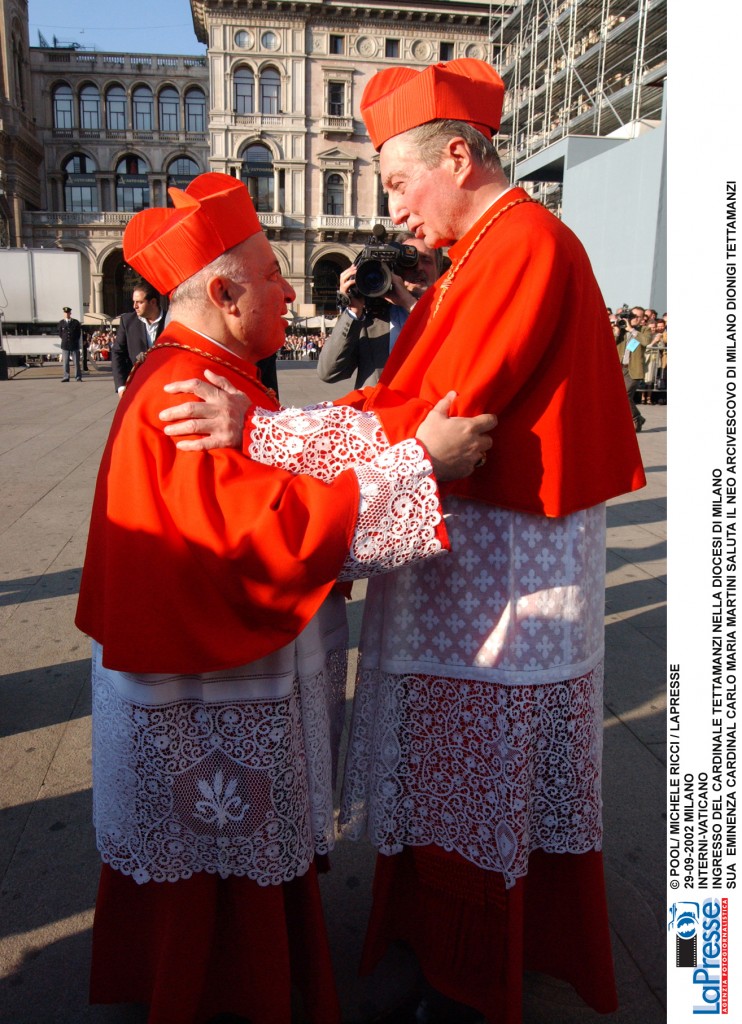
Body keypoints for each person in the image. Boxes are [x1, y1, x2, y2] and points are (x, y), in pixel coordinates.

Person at [162, 59, 649, 1023]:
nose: (393, 210)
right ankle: (439, 946)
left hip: (508, 576)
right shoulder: (475, 253)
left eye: (396, 182)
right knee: (450, 775)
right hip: (464, 565)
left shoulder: (527, 244)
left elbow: (443, 415)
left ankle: (473, 982)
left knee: (479, 785)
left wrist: (265, 434)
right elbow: (396, 405)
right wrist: (285, 433)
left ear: (458, 156)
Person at [74, 171, 495, 1024]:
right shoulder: (182, 392)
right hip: (203, 695)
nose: (289, 288)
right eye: (271, 275)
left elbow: (284, 461)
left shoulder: (205, 365)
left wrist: (393, 437)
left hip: (205, 682)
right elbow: (261, 536)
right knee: (213, 869)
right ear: (225, 293)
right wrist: (423, 467)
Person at [317, 234, 439, 388]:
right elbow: (329, 372)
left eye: (426, 260)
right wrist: (353, 310)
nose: (418, 267)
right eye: (409, 261)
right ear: (396, 268)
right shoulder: (371, 316)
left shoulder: (449, 310)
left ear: (438, 269)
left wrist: (410, 304)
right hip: (377, 410)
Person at [111, 282, 166, 393]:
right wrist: (121, 386)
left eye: (139, 302)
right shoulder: (127, 321)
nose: (134, 306)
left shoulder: (171, 320)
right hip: (137, 385)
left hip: (165, 384)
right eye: (134, 302)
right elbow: (117, 352)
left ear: (153, 302)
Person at [617, 305, 652, 429]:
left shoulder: (644, 330)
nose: (635, 319)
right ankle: (637, 418)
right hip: (619, 368)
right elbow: (612, 341)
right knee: (618, 396)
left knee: (625, 395)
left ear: (643, 318)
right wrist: (617, 329)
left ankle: (636, 419)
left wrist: (631, 329)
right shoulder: (621, 329)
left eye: (639, 317)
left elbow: (646, 341)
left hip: (634, 369)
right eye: (633, 316)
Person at [58, 305, 82, 381]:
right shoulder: (61, 323)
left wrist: (74, 340)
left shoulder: (75, 322)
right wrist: (65, 339)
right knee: (65, 362)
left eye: (68, 313)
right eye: (65, 313)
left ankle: (78, 377)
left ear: (70, 313)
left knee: (76, 362)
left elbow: (78, 333)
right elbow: (60, 333)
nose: (67, 314)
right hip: (65, 344)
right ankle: (66, 376)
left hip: (74, 344)